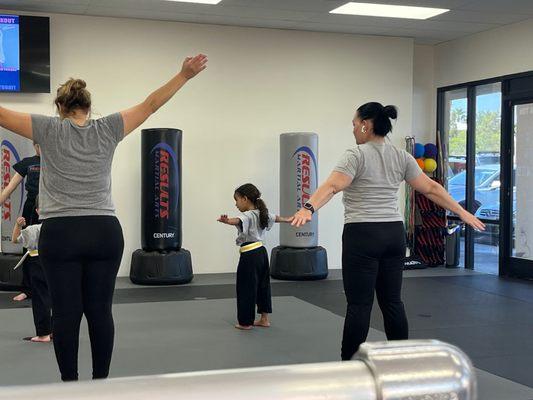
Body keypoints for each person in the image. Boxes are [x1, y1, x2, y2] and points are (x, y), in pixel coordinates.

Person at [0, 54, 207, 381]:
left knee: (65, 314)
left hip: (61, 233)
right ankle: (101, 385)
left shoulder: (47, 127)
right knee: (100, 312)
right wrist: (184, 74)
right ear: (88, 106)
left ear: (60, 107)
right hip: (104, 232)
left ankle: (71, 385)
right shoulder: (109, 126)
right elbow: (150, 104)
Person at [291, 102, 485, 360]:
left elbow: (332, 186)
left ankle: (349, 365)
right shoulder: (400, 156)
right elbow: (431, 188)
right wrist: (462, 212)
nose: (353, 130)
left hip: (363, 235)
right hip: (394, 234)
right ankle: (400, 362)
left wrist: (308, 208)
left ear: (365, 124)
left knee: (359, 305)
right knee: (392, 302)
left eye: (354, 124)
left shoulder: (356, 155)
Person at [217, 183, 292, 330]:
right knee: (263, 286)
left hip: (249, 255)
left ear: (245, 199)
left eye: (237, 200)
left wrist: (227, 221)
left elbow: (238, 220)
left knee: (246, 287)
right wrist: (290, 219)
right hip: (262, 253)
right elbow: (276, 218)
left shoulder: (248, 214)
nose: (236, 204)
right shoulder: (262, 212)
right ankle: (264, 319)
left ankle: (245, 322)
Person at [0, 144, 41, 302]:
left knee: (52, 246)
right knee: (29, 247)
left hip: (51, 206)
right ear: (35, 146)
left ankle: (51, 288)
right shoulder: (28, 162)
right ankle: (27, 289)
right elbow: (10, 186)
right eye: (38, 145)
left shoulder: (55, 161)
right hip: (32, 206)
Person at [11, 196, 52, 343]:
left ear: (37, 211)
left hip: (38, 263)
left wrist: (17, 225)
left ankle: (43, 333)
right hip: (56, 264)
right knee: (56, 298)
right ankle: (54, 330)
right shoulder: (59, 229)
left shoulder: (34, 229)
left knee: (40, 299)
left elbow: (15, 239)